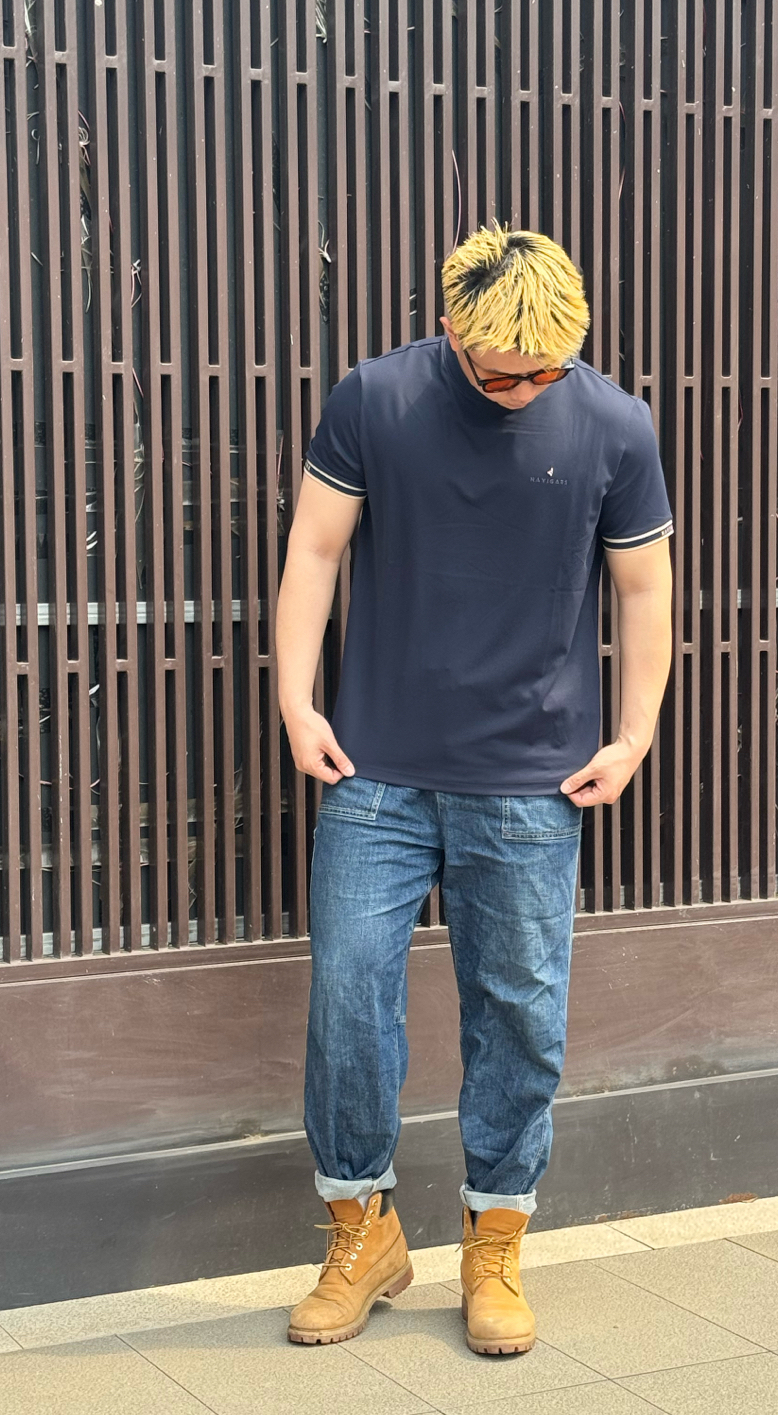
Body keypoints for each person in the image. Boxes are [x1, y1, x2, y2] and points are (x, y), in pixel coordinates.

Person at [276, 224, 673, 1355]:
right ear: (452, 326)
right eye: (502, 374)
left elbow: (644, 589)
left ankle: (494, 1242)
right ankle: (361, 1231)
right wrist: (297, 701)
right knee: (348, 999)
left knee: (520, 1016)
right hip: (376, 769)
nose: (524, 391)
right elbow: (314, 549)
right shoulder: (376, 399)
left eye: (545, 371)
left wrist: (634, 734)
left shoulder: (614, 423)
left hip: (533, 781)